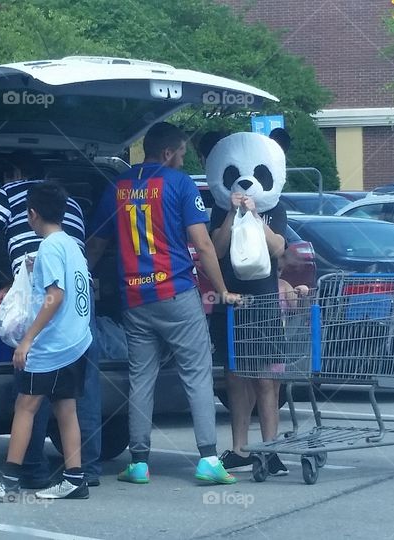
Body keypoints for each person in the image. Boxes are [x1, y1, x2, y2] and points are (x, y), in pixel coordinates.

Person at [87, 122, 239, 485]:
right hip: (176, 293)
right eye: (183, 154)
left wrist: (82, 278)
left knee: (141, 378)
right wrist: (222, 290)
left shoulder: (118, 187)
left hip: (134, 298)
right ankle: (208, 460)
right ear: (168, 152)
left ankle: (138, 462)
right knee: (197, 374)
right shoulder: (180, 184)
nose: (184, 161)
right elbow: (203, 246)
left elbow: (96, 243)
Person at [0, 155, 103, 488]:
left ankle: (21, 474)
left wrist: (28, 339)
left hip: (46, 316)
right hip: (80, 312)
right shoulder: (69, 208)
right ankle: (82, 473)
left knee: (28, 401)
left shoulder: (11, 195)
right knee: (77, 398)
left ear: (14, 175)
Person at [204, 132, 290, 476]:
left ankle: (270, 448)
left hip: (265, 301)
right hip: (231, 301)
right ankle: (240, 448)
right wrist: (229, 214)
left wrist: (254, 214)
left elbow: (277, 248)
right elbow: (218, 249)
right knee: (235, 377)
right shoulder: (216, 210)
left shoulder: (274, 208)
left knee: (268, 378)